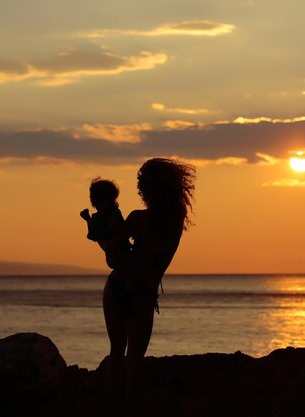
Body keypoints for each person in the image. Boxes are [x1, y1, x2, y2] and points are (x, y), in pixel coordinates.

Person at [101, 158, 195, 417]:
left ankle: (114, 408)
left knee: (116, 352)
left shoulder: (136, 219)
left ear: (146, 190)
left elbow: (111, 250)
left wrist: (103, 234)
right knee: (135, 360)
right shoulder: (176, 221)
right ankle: (132, 409)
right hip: (144, 293)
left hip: (118, 284)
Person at [80, 178, 131, 270]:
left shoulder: (107, 215)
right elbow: (95, 232)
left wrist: (88, 220)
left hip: (116, 257)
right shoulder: (111, 214)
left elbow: (95, 233)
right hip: (119, 256)